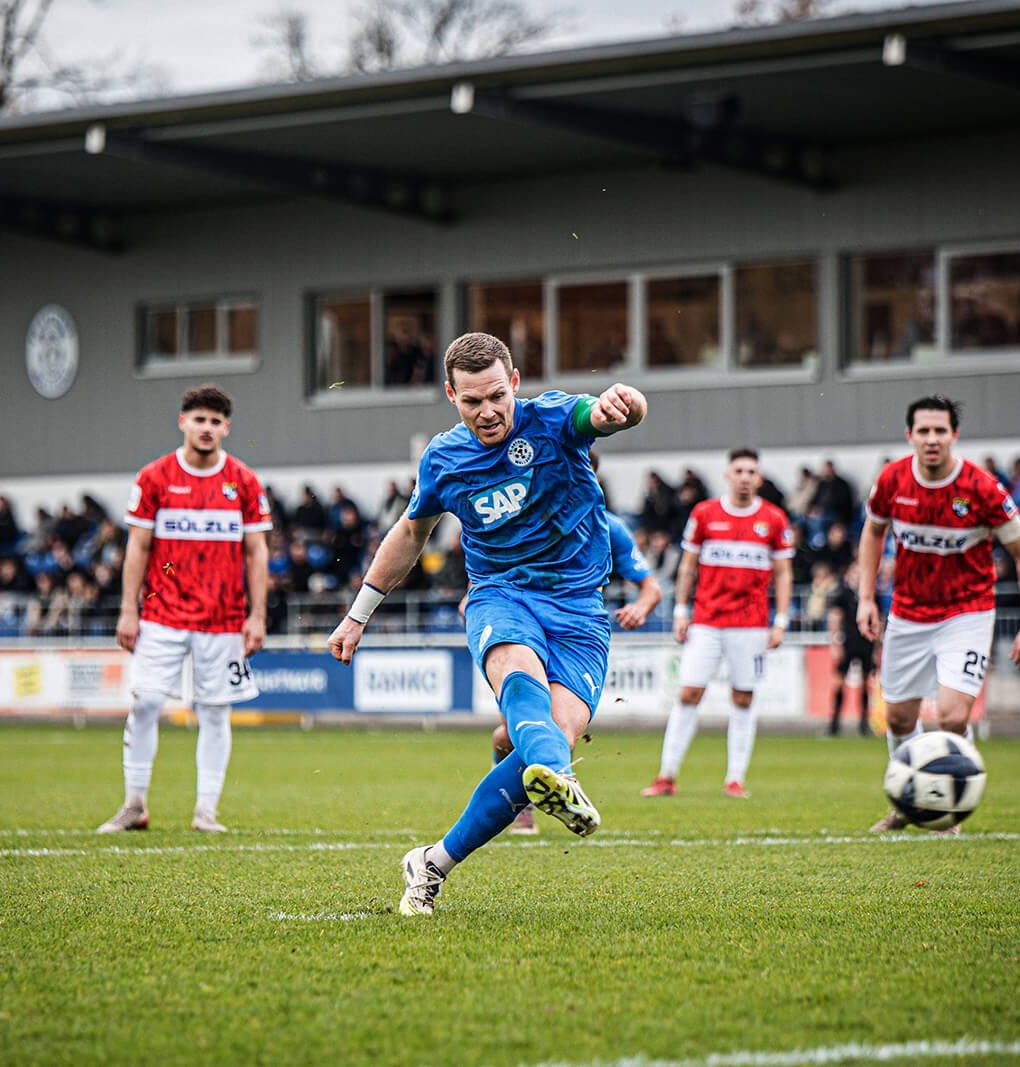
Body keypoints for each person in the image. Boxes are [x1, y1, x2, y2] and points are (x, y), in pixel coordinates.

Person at [325, 331, 646, 917]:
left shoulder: (551, 419)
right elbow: (408, 536)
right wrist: (357, 615)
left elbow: (603, 416)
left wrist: (626, 404)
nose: (488, 411)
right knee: (522, 689)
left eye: (497, 395)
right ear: (452, 395)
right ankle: (556, 768)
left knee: (541, 748)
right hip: (500, 596)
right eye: (472, 401)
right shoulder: (443, 459)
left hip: (580, 612)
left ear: (515, 382)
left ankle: (432, 863)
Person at [856, 396, 1020, 834]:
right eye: (923, 431)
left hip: (967, 612)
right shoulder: (891, 480)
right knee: (899, 718)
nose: (932, 439)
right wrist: (866, 597)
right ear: (910, 436)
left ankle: (950, 809)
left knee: (953, 715)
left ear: (954, 435)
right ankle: (911, 800)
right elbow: (872, 533)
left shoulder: (981, 488)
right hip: (908, 614)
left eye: (940, 431)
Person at [97, 384, 272, 836]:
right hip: (161, 615)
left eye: (216, 421)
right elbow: (136, 547)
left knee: (215, 712)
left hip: (223, 619)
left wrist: (257, 616)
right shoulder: (153, 477)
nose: (207, 428)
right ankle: (134, 804)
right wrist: (128, 610)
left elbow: (257, 552)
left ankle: (205, 813)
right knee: (146, 703)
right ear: (183, 422)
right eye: (199, 419)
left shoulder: (244, 481)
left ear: (226, 428)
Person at [477, 509, 663, 834]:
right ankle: (518, 797)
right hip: (523, 627)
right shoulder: (524, 513)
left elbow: (651, 587)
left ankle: (531, 799)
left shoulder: (608, 526)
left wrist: (639, 607)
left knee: (558, 732)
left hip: (572, 635)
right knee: (511, 734)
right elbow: (488, 567)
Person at [641, 447, 795, 799]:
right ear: (728, 475)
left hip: (751, 624)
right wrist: (681, 610)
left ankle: (735, 779)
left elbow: (784, 573)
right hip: (707, 621)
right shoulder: (705, 513)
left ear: (758, 478)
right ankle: (666, 776)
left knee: (743, 697)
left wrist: (781, 620)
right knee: (689, 692)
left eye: (750, 471)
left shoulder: (773, 519)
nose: (744, 477)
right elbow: (687, 566)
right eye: (738, 470)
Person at [827, 561, 876, 736]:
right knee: (839, 682)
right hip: (847, 643)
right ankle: (834, 724)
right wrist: (835, 642)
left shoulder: (870, 595)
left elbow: (878, 621)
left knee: (865, 683)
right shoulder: (842, 594)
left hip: (865, 643)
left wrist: (877, 647)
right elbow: (835, 618)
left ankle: (864, 723)